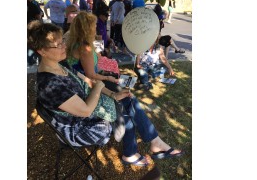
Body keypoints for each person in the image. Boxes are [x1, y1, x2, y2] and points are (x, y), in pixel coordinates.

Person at [27, 20, 184, 167]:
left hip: (84, 108)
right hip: (81, 128)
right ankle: (138, 150)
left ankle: (152, 143)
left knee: (128, 99)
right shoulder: (50, 84)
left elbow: (87, 80)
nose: (64, 46)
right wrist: (100, 85)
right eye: (58, 44)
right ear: (42, 51)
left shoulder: (59, 65)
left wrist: (112, 94)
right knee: (126, 109)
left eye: (63, 41)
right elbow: (86, 109)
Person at [66, 11, 117, 84]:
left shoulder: (77, 40)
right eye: (94, 25)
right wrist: (107, 77)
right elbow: (91, 75)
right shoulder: (84, 48)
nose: (96, 27)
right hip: (84, 84)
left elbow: (99, 55)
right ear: (87, 29)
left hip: (89, 78)